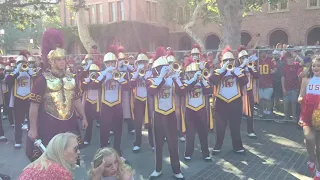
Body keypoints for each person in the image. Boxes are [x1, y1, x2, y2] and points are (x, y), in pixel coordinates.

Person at [27, 28, 87, 161]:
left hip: (69, 123)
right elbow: (34, 106)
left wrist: (84, 117)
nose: (62, 62)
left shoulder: (72, 78)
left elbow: (76, 99)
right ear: (51, 61)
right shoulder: (41, 80)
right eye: (58, 59)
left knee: (70, 156)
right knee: (50, 159)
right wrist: (33, 128)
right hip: (49, 123)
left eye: (63, 59)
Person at [147, 46, 185, 179]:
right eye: (161, 67)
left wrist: (176, 78)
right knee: (158, 144)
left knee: (173, 144)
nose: (165, 69)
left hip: (170, 114)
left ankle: (176, 170)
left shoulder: (172, 79)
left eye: (166, 66)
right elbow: (152, 91)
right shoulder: (152, 80)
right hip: (157, 114)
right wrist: (162, 76)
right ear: (156, 69)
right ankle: (158, 169)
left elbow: (182, 92)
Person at [208, 46, 248, 155]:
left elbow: (244, 81)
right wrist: (223, 70)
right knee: (220, 127)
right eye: (225, 60)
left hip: (235, 102)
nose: (228, 62)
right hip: (221, 102)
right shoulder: (218, 71)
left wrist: (234, 71)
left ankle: (237, 146)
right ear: (222, 62)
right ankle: (218, 146)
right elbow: (212, 81)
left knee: (235, 126)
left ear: (234, 61)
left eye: (230, 60)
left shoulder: (239, 70)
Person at [183, 58, 211, 161]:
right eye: (190, 72)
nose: (192, 74)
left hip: (201, 109)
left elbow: (209, 91)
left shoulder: (202, 81)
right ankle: (188, 153)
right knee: (190, 134)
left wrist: (202, 79)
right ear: (186, 73)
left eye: (194, 72)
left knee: (203, 133)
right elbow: (183, 90)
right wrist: (193, 79)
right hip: (189, 110)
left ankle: (206, 153)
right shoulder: (185, 81)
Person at [6, 52, 36, 149]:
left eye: (24, 62)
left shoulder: (31, 71)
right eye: (20, 62)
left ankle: (33, 139)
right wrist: (17, 72)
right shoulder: (13, 72)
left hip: (29, 98)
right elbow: (8, 81)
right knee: (18, 121)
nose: (22, 64)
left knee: (32, 119)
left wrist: (30, 72)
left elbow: (38, 79)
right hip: (18, 99)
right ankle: (18, 140)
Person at [298, 56, 320, 180]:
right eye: (314, 65)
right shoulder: (306, 80)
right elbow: (300, 97)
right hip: (307, 114)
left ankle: (318, 172)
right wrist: (306, 100)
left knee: (319, 146)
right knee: (309, 137)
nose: (316, 68)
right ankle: (311, 158)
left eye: (319, 66)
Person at [130, 51, 154, 152]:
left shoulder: (151, 72)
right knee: (138, 122)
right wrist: (137, 73)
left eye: (144, 62)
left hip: (148, 100)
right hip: (138, 99)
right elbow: (131, 84)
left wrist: (144, 76)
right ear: (137, 63)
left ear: (147, 63)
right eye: (140, 62)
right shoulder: (134, 73)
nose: (142, 64)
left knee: (150, 123)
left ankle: (152, 143)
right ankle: (137, 143)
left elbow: (151, 85)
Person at [237, 46, 259, 138]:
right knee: (237, 112)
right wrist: (242, 66)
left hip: (249, 92)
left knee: (250, 112)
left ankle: (250, 131)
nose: (244, 59)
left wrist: (250, 67)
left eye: (246, 57)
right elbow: (236, 74)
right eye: (242, 58)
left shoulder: (251, 66)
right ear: (239, 59)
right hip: (238, 93)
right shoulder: (236, 68)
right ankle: (236, 130)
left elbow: (257, 76)